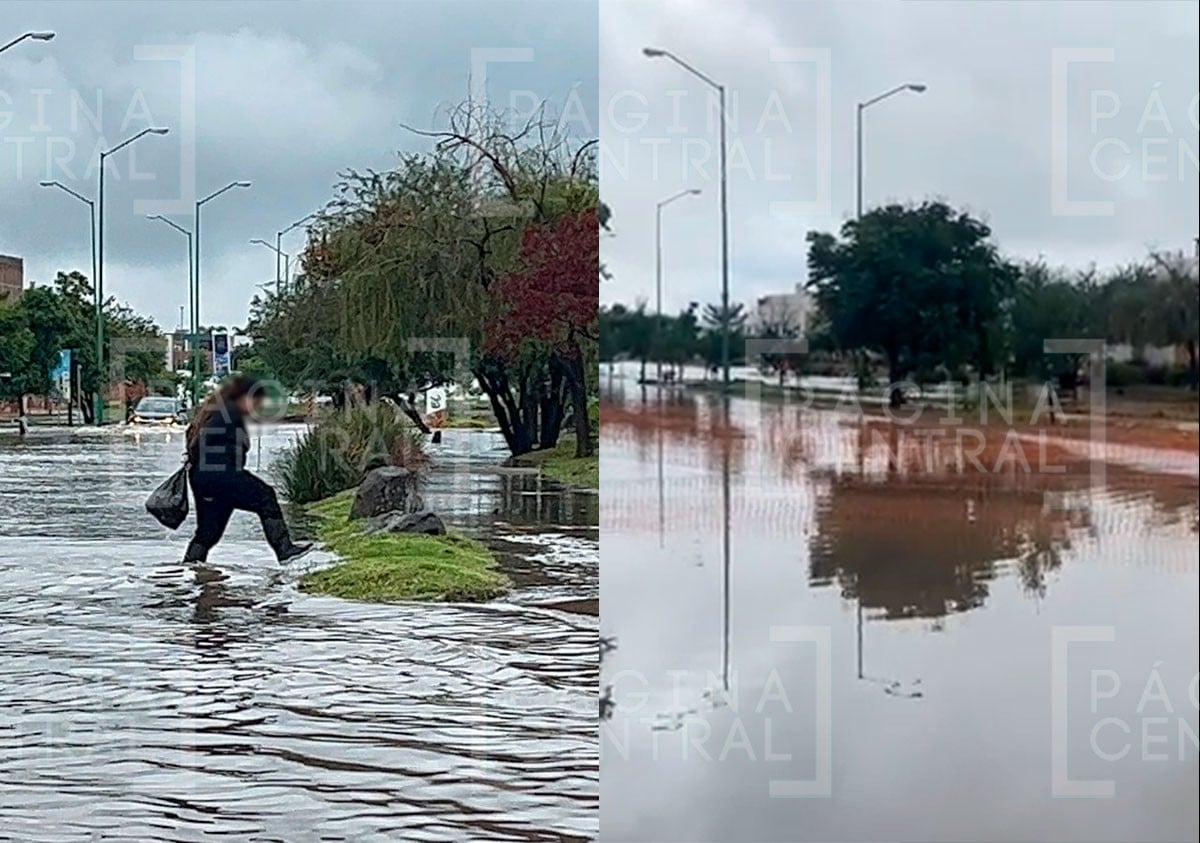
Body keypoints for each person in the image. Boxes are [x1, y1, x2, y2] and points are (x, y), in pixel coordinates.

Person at [182, 374, 312, 564]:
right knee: (266, 497)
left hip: (201, 478)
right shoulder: (230, 414)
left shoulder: (213, 412)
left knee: (208, 532)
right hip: (222, 475)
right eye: (257, 402)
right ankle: (284, 550)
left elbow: (197, 445)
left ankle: (190, 569)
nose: (257, 407)